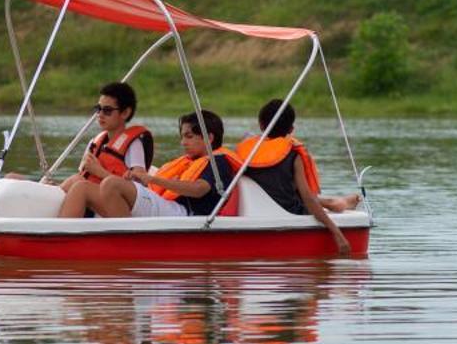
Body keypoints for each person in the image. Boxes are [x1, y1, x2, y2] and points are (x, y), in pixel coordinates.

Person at [232, 99, 358, 253]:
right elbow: (307, 198)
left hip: (255, 208)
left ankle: (335, 203)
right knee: (308, 196)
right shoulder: (293, 155)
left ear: (261, 124)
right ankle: (336, 203)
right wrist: (337, 233)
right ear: (291, 129)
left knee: (303, 195)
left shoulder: (245, 150)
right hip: (291, 209)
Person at [92, 109, 240, 220]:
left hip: (185, 214)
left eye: (189, 137)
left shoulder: (218, 162)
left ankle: (127, 245)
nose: (183, 143)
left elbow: (199, 189)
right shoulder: (190, 162)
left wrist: (151, 179)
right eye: (182, 137)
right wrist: (138, 180)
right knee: (82, 188)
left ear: (209, 138)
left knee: (111, 184)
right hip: (168, 206)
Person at [57, 81, 154, 218]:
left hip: (122, 206)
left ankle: (61, 233)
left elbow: (139, 185)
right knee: (75, 180)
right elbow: (83, 175)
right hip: (98, 198)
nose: (100, 114)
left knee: (81, 187)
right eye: (98, 109)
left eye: (107, 110)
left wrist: (100, 172)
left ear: (125, 112)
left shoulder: (133, 145)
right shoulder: (95, 142)